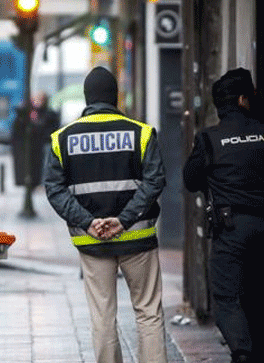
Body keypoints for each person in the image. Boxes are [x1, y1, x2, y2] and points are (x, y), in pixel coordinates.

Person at [43, 66, 169, 363]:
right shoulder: (141, 133)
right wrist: (124, 220)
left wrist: (88, 222)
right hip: (137, 238)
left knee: (102, 316)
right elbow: (155, 181)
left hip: (93, 242)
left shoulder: (62, 139)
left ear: (87, 98)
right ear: (116, 97)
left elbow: (55, 190)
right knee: (148, 312)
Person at [182, 68, 264, 363]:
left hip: (231, 228)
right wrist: (261, 108)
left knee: (228, 296)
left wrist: (213, 181)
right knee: (259, 293)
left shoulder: (210, 139)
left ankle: (242, 352)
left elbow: (190, 180)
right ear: (244, 98)